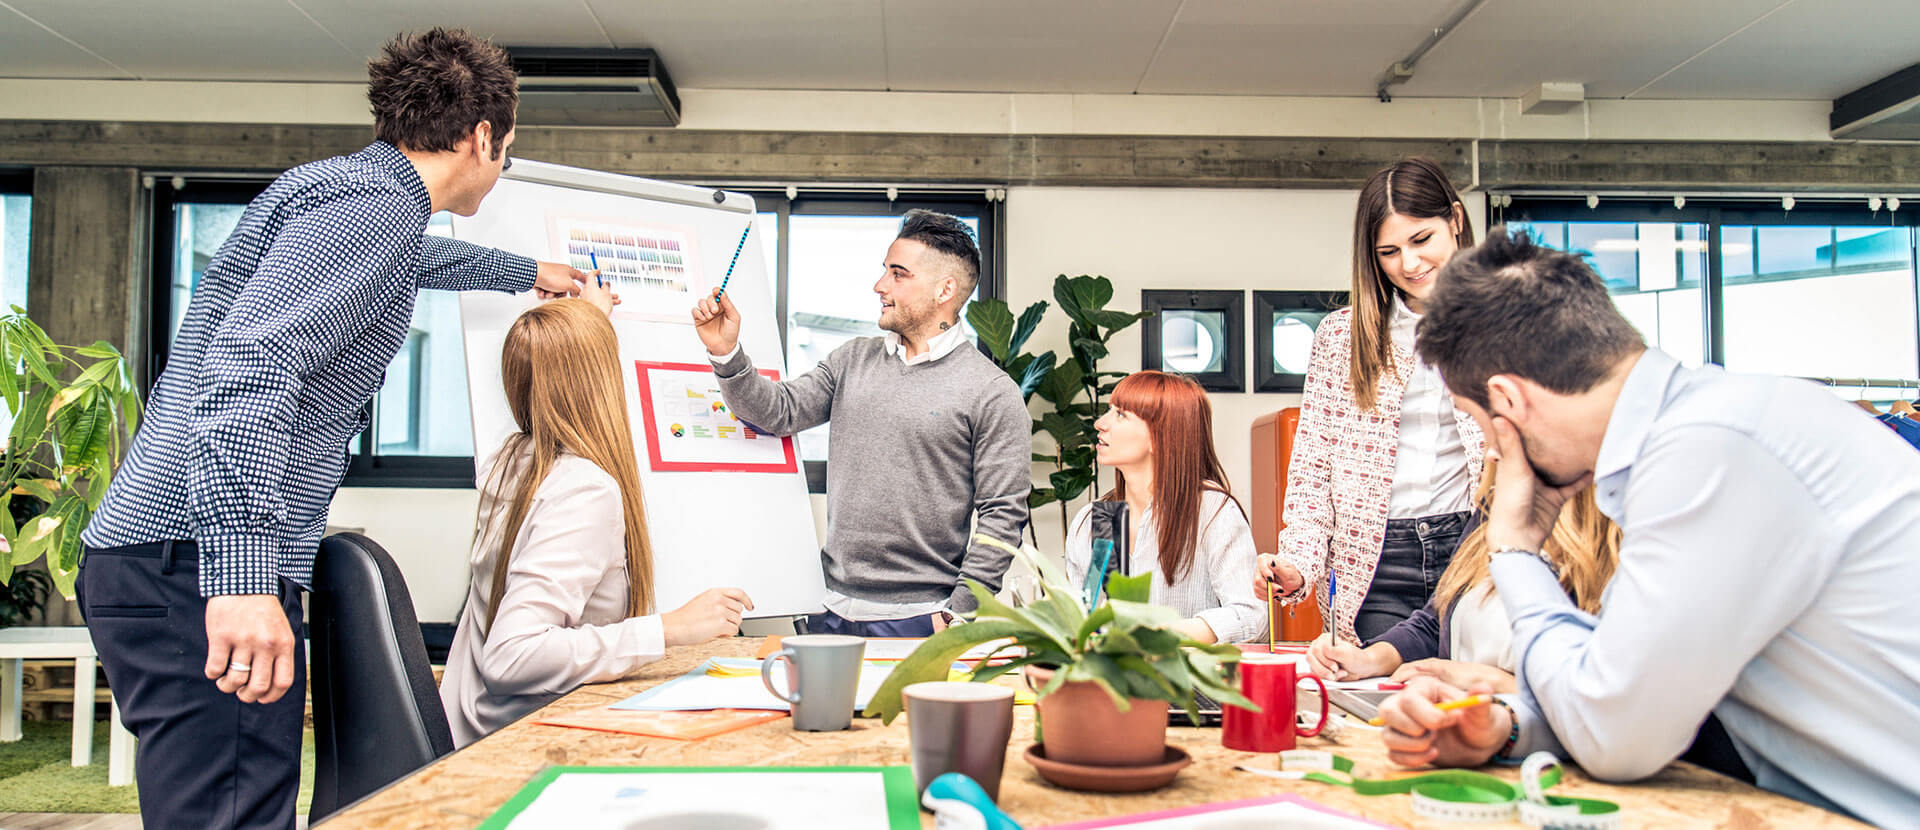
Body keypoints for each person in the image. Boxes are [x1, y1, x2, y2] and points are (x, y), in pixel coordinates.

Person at [75, 29, 591, 828]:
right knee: (232, 812)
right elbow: (249, 375)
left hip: (162, 555)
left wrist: (526, 273)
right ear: (482, 135)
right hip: (195, 563)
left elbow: (408, 260)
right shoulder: (374, 210)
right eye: (508, 150)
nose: (502, 165)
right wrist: (243, 580)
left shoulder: (343, 193)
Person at [1373, 227, 1920, 827]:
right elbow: (1629, 684)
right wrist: (1503, 726)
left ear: (1507, 402)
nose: (1492, 451)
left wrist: (1513, 550)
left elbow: (1618, 737)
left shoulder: (1710, 452)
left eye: (1481, 423)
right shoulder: (1703, 430)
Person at [689, 210, 1030, 636]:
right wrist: (726, 352)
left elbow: (1002, 514)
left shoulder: (991, 391)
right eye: (884, 271)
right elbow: (778, 411)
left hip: (923, 619)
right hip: (827, 609)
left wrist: (958, 614)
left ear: (946, 289)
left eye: (898, 274)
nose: (880, 285)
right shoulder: (852, 359)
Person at [441, 292, 753, 747]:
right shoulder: (583, 490)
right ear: (597, 383)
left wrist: (583, 324)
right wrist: (670, 628)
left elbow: (552, 369)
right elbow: (511, 656)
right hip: (524, 737)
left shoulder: (509, 459)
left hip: (476, 723)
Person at [1253, 157, 1487, 645]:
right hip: (1377, 565)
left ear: (1456, 221)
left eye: (1423, 240)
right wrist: (1296, 562)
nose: (1410, 263)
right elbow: (1314, 467)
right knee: (1385, 704)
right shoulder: (1342, 337)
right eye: (1389, 251)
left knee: (1469, 701)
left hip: (1475, 548)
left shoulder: (1505, 323)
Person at [1301, 463, 1620, 694]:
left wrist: (1498, 685)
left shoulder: (1618, 539)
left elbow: (1609, 695)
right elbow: (1433, 622)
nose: (1490, 451)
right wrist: (1367, 658)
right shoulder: (1490, 513)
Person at [1064, 371, 1265, 644]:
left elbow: (1250, 616)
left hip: (1189, 684)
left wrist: (1161, 635)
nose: (1100, 423)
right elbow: (1081, 618)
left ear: (1159, 437)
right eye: (1109, 411)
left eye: (1121, 414)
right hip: (1112, 684)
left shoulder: (1211, 511)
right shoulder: (1095, 519)